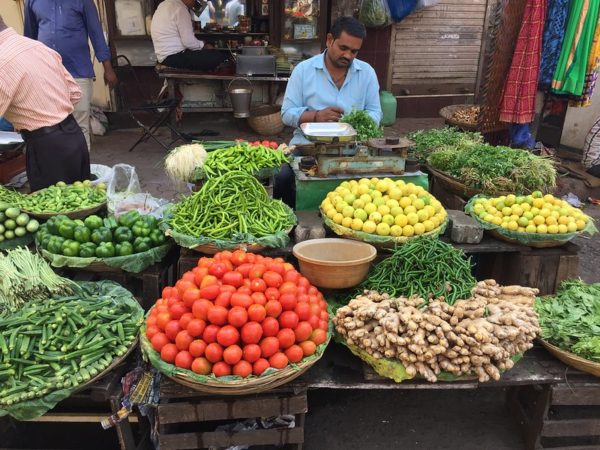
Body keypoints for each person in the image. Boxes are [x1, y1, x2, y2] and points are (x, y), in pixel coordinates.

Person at [275, 16, 382, 206]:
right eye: (343, 48)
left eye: (354, 51)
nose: (348, 55)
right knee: (282, 176)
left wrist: (351, 125)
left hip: (353, 149)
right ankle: (291, 223)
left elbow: (375, 112)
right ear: (329, 40)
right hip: (307, 147)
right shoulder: (303, 70)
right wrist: (315, 116)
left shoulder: (367, 73)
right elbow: (286, 113)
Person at [0, 16, 90, 192]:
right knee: (84, 207)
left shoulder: (2, 63)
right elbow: (74, 92)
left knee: (56, 215)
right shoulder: (36, 46)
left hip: (47, 148)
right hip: (73, 135)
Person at [24, 0, 118, 152]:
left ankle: (81, 173)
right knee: (51, 125)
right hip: (47, 74)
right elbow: (29, 38)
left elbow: (96, 33)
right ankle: (61, 172)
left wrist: (108, 68)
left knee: (80, 125)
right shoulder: (32, 2)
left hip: (78, 71)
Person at [151, 0, 229, 71]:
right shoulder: (180, 9)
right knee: (217, 57)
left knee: (208, 55)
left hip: (164, 56)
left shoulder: (164, 4)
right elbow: (188, 42)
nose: (194, 3)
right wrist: (204, 46)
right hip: (173, 57)